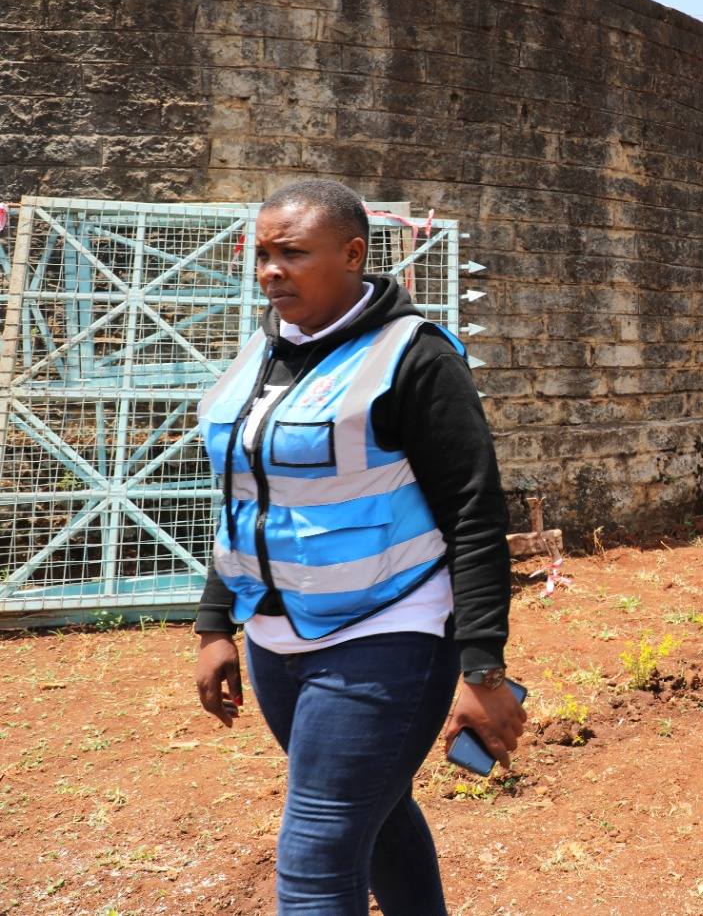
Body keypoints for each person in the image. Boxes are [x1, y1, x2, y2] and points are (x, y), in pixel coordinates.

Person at [192, 179, 527, 913]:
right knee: (374, 818)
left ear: (351, 253)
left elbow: (474, 513)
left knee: (316, 850)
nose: (271, 271)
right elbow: (242, 497)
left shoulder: (415, 358)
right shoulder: (262, 353)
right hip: (278, 641)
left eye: (292, 254)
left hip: (390, 633)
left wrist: (484, 667)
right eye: (263, 255)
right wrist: (216, 623)